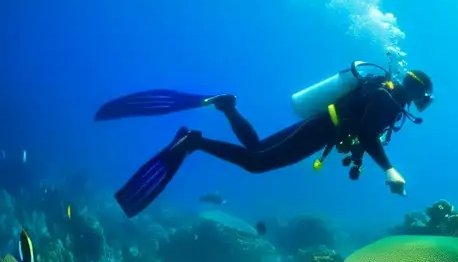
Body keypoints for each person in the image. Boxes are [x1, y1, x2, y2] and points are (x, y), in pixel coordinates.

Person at [95, 63, 433, 218]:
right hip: (318, 130)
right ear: (417, 92)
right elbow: (364, 132)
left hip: (319, 127)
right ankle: (194, 141)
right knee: (256, 163)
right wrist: (389, 169)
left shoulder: (383, 90)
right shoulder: (387, 100)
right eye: (425, 99)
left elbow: (362, 130)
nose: (422, 105)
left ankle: (227, 108)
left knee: (256, 151)